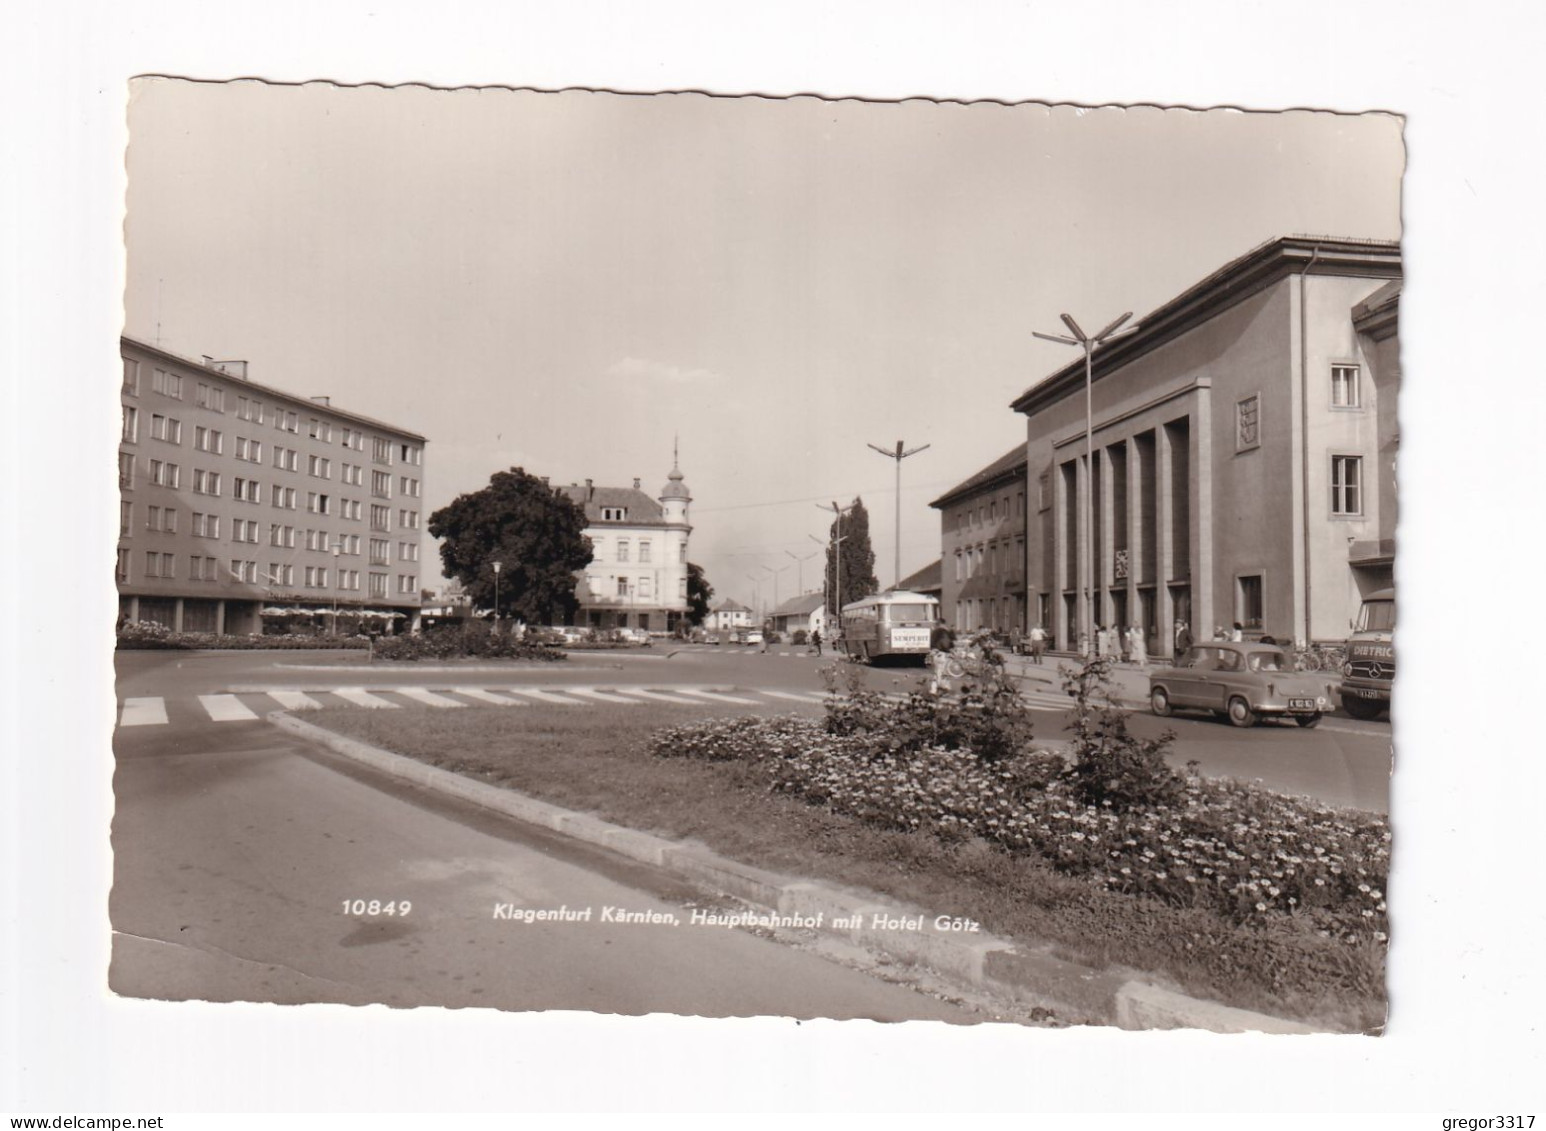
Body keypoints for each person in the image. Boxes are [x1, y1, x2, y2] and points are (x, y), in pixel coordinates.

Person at [928, 620, 956, 694]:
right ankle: (938, 688)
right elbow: (945, 643)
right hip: (942, 653)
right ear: (943, 624)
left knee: (937, 671)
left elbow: (931, 643)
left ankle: (942, 687)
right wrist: (950, 650)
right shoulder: (943, 632)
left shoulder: (934, 632)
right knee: (943, 671)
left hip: (934, 653)